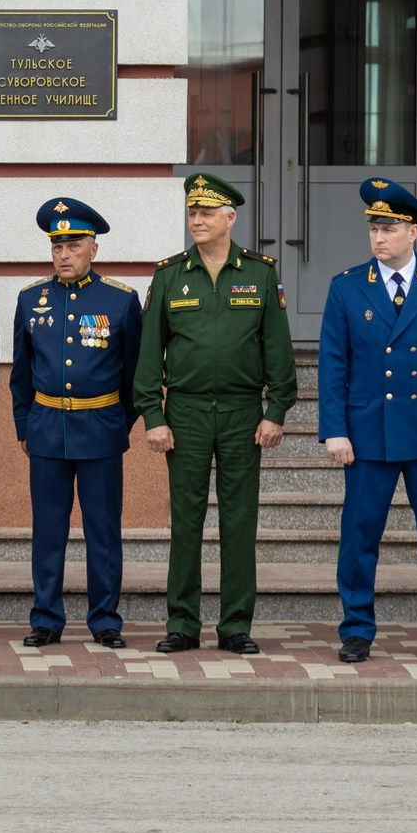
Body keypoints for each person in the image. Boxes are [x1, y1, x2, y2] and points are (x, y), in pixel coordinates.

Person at [134, 172, 296, 656]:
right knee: (185, 520)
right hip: (185, 412)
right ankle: (182, 623)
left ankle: (235, 625)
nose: (197, 220)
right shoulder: (169, 275)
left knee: (239, 520)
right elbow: (149, 354)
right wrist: (153, 415)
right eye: (192, 212)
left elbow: (278, 350)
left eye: (206, 212)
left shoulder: (261, 274)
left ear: (230, 218)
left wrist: (276, 410)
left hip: (243, 413)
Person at [319, 178, 417, 663]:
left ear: (413, 232)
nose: (378, 237)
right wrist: (335, 429)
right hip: (369, 432)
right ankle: (357, 629)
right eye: (373, 228)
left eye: (388, 229)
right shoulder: (347, 287)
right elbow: (333, 364)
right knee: (359, 535)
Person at [10, 199, 143, 649]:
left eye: (74, 245)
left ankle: (105, 619)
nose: (64, 255)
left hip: (101, 430)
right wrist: (25, 425)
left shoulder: (120, 301)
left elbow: (135, 374)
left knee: (102, 532)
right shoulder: (31, 299)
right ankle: (46, 618)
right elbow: (21, 374)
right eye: (57, 246)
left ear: (93, 249)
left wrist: (119, 423)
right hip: (47, 430)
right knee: (48, 532)